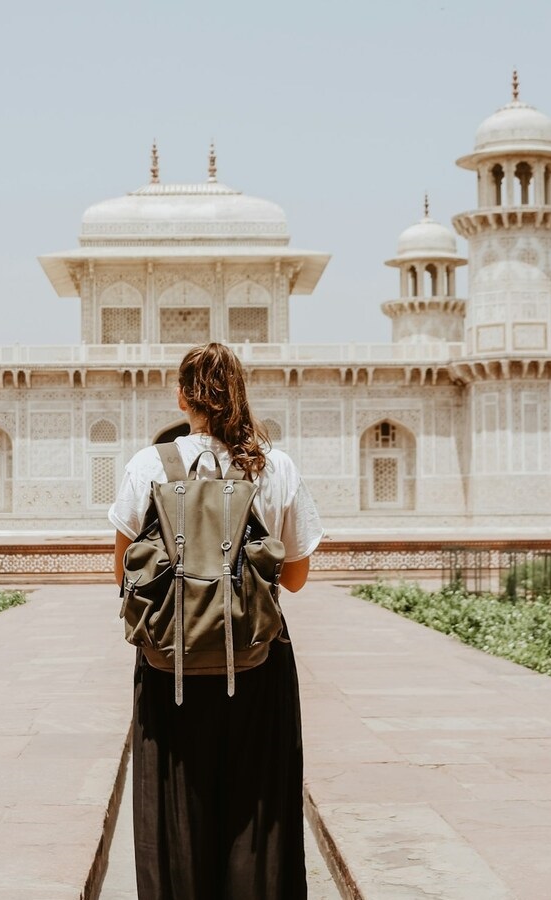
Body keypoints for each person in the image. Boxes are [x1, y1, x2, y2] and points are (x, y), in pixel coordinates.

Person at [109, 342, 324, 899]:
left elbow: (123, 574)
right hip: (256, 662)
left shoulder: (147, 466)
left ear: (182, 398)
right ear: (240, 394)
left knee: (175, 813)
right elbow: (296, 579)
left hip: (170, 668)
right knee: (258, 812)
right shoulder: (274, 467)